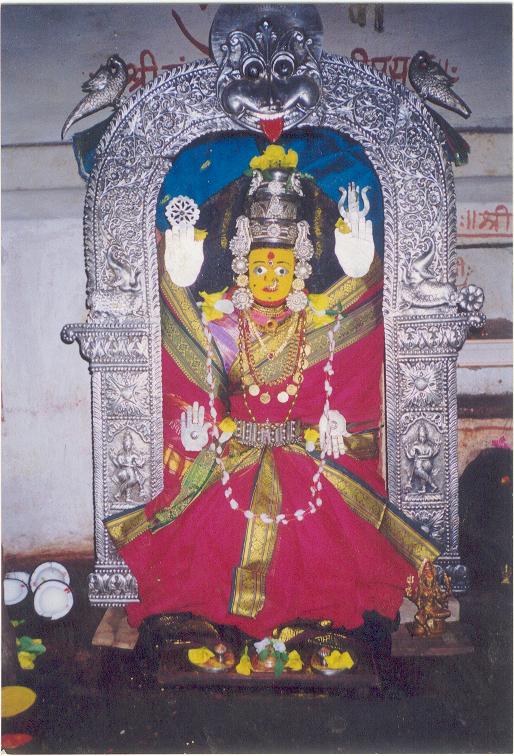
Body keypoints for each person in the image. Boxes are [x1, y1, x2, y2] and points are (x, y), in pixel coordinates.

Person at [106, 145, 438, 640]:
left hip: (301, 452)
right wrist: (199, 434)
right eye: (260, 269)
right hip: (234, 452)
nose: (269, 280)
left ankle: (303, 614)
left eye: (281, 269)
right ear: (243, 268)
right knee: (212, 530)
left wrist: (334, 420)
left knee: (323, 531)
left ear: (298, 270)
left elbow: (340, 382)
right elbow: (206, 391)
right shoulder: (222, 325)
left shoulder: (317, 323)